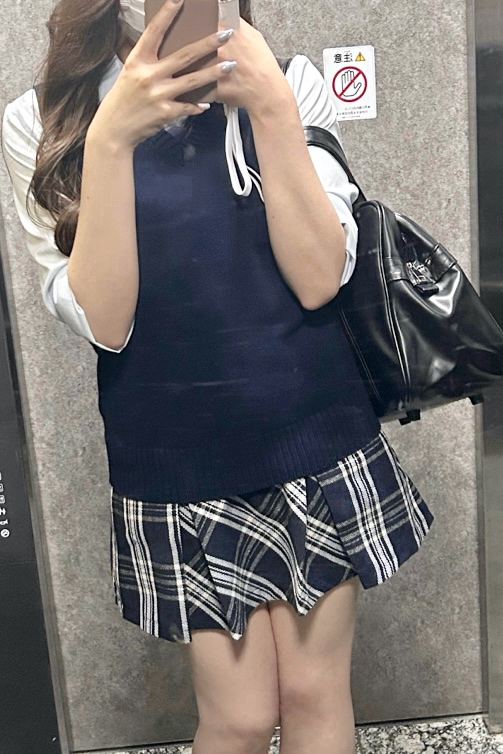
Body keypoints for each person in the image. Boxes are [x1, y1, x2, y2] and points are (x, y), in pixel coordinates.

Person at [1, 1, 434, 752]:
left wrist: (270, 105)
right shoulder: (41, 122)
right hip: (174, 457)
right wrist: (110, 140)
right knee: (237, 718)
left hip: (313, 434)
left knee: (314, 694)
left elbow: (318, 280)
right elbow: (106, 322)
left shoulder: (287, 79)